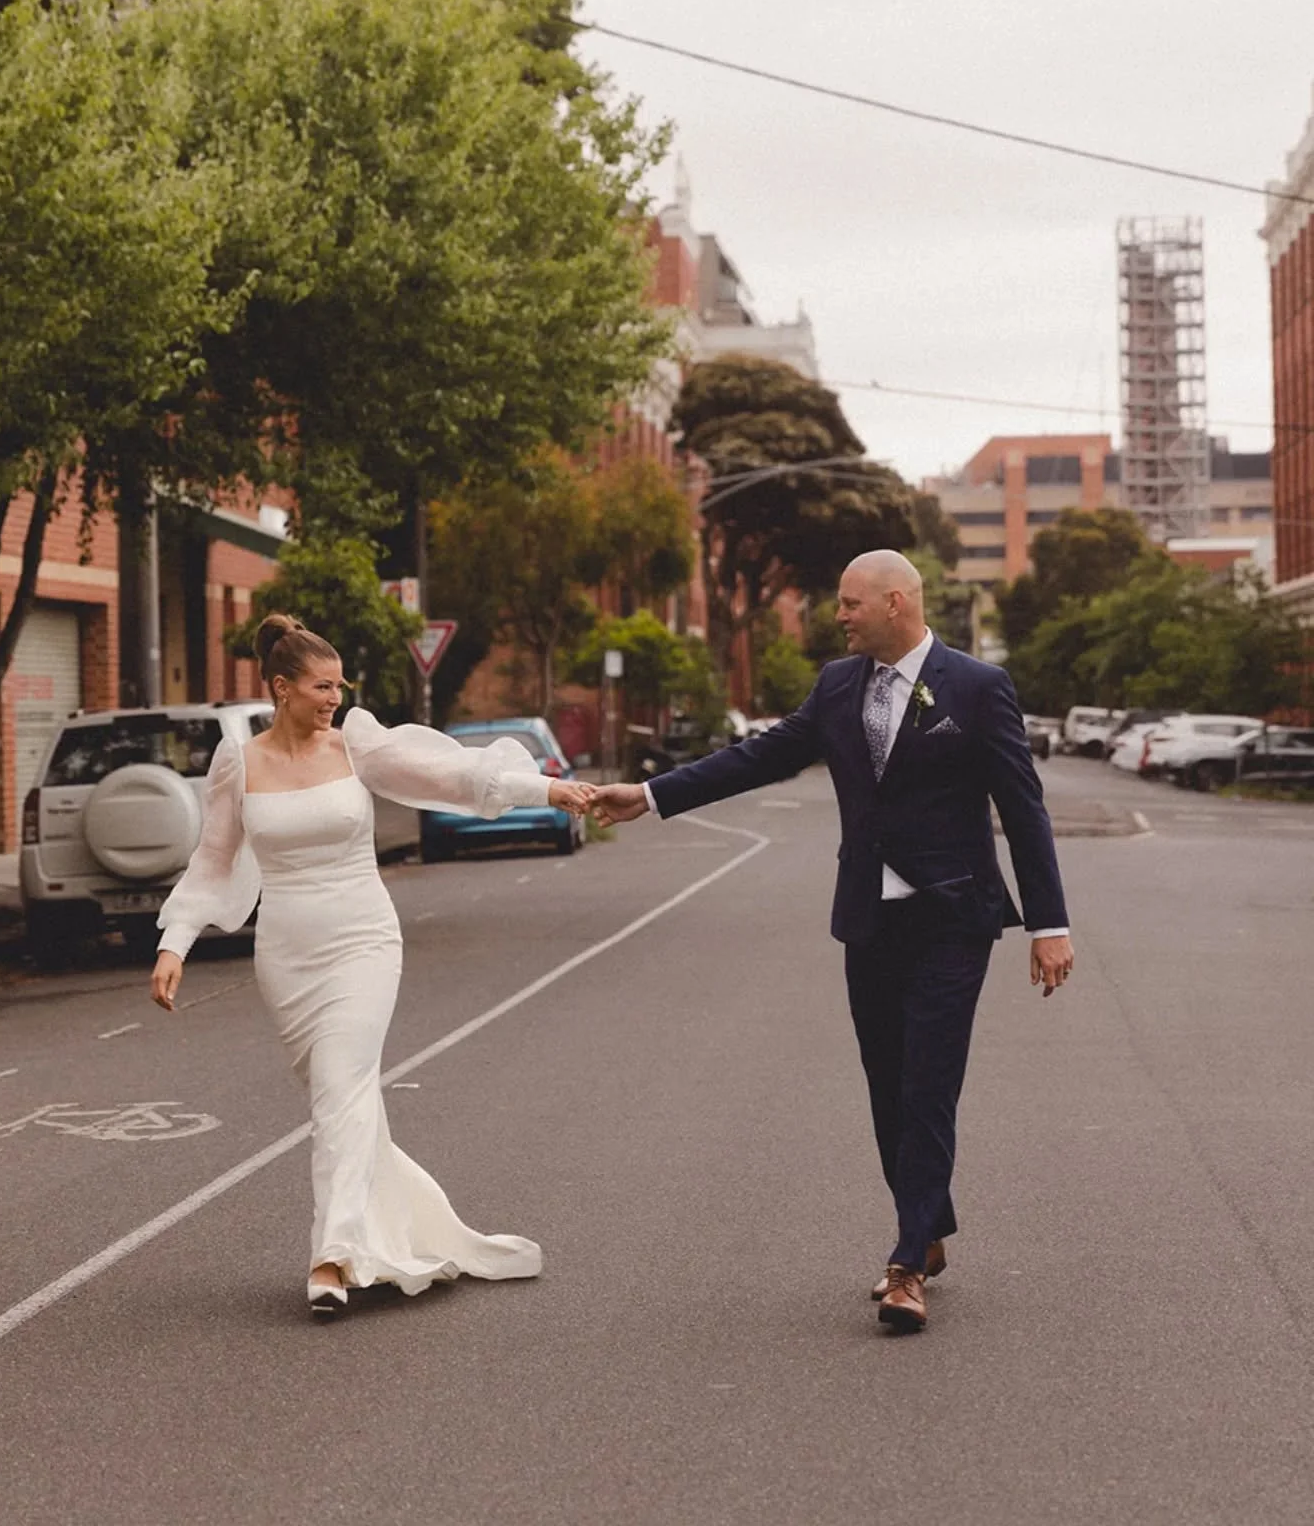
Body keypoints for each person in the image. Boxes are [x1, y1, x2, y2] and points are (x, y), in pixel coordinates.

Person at [592, 550, 1072, 1335]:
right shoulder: (837, 685)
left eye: (850, 604)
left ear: (895, 602)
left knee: (928, 1083)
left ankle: (908, 1260)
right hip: (870, 918)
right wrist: (649, 796)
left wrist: (1048, 926)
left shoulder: (978, 689)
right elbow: (759, 756)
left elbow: (1024, 810)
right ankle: (930, 1220)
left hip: (955, 917)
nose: (838, 616)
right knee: (887, 1081)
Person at [150, 613, 596, 1318]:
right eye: (321, 685)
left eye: (339, 684)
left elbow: (450, 776)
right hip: (287, 956)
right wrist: (174, 943)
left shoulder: (356, 744)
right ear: (281, 687)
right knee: (345, 1108)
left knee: (341, 1091)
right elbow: (213, 861)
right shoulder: (239, 761)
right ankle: (401, 1231)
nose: (335, 695)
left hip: (363, 939)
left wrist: (547, 790)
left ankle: (333, 1257)